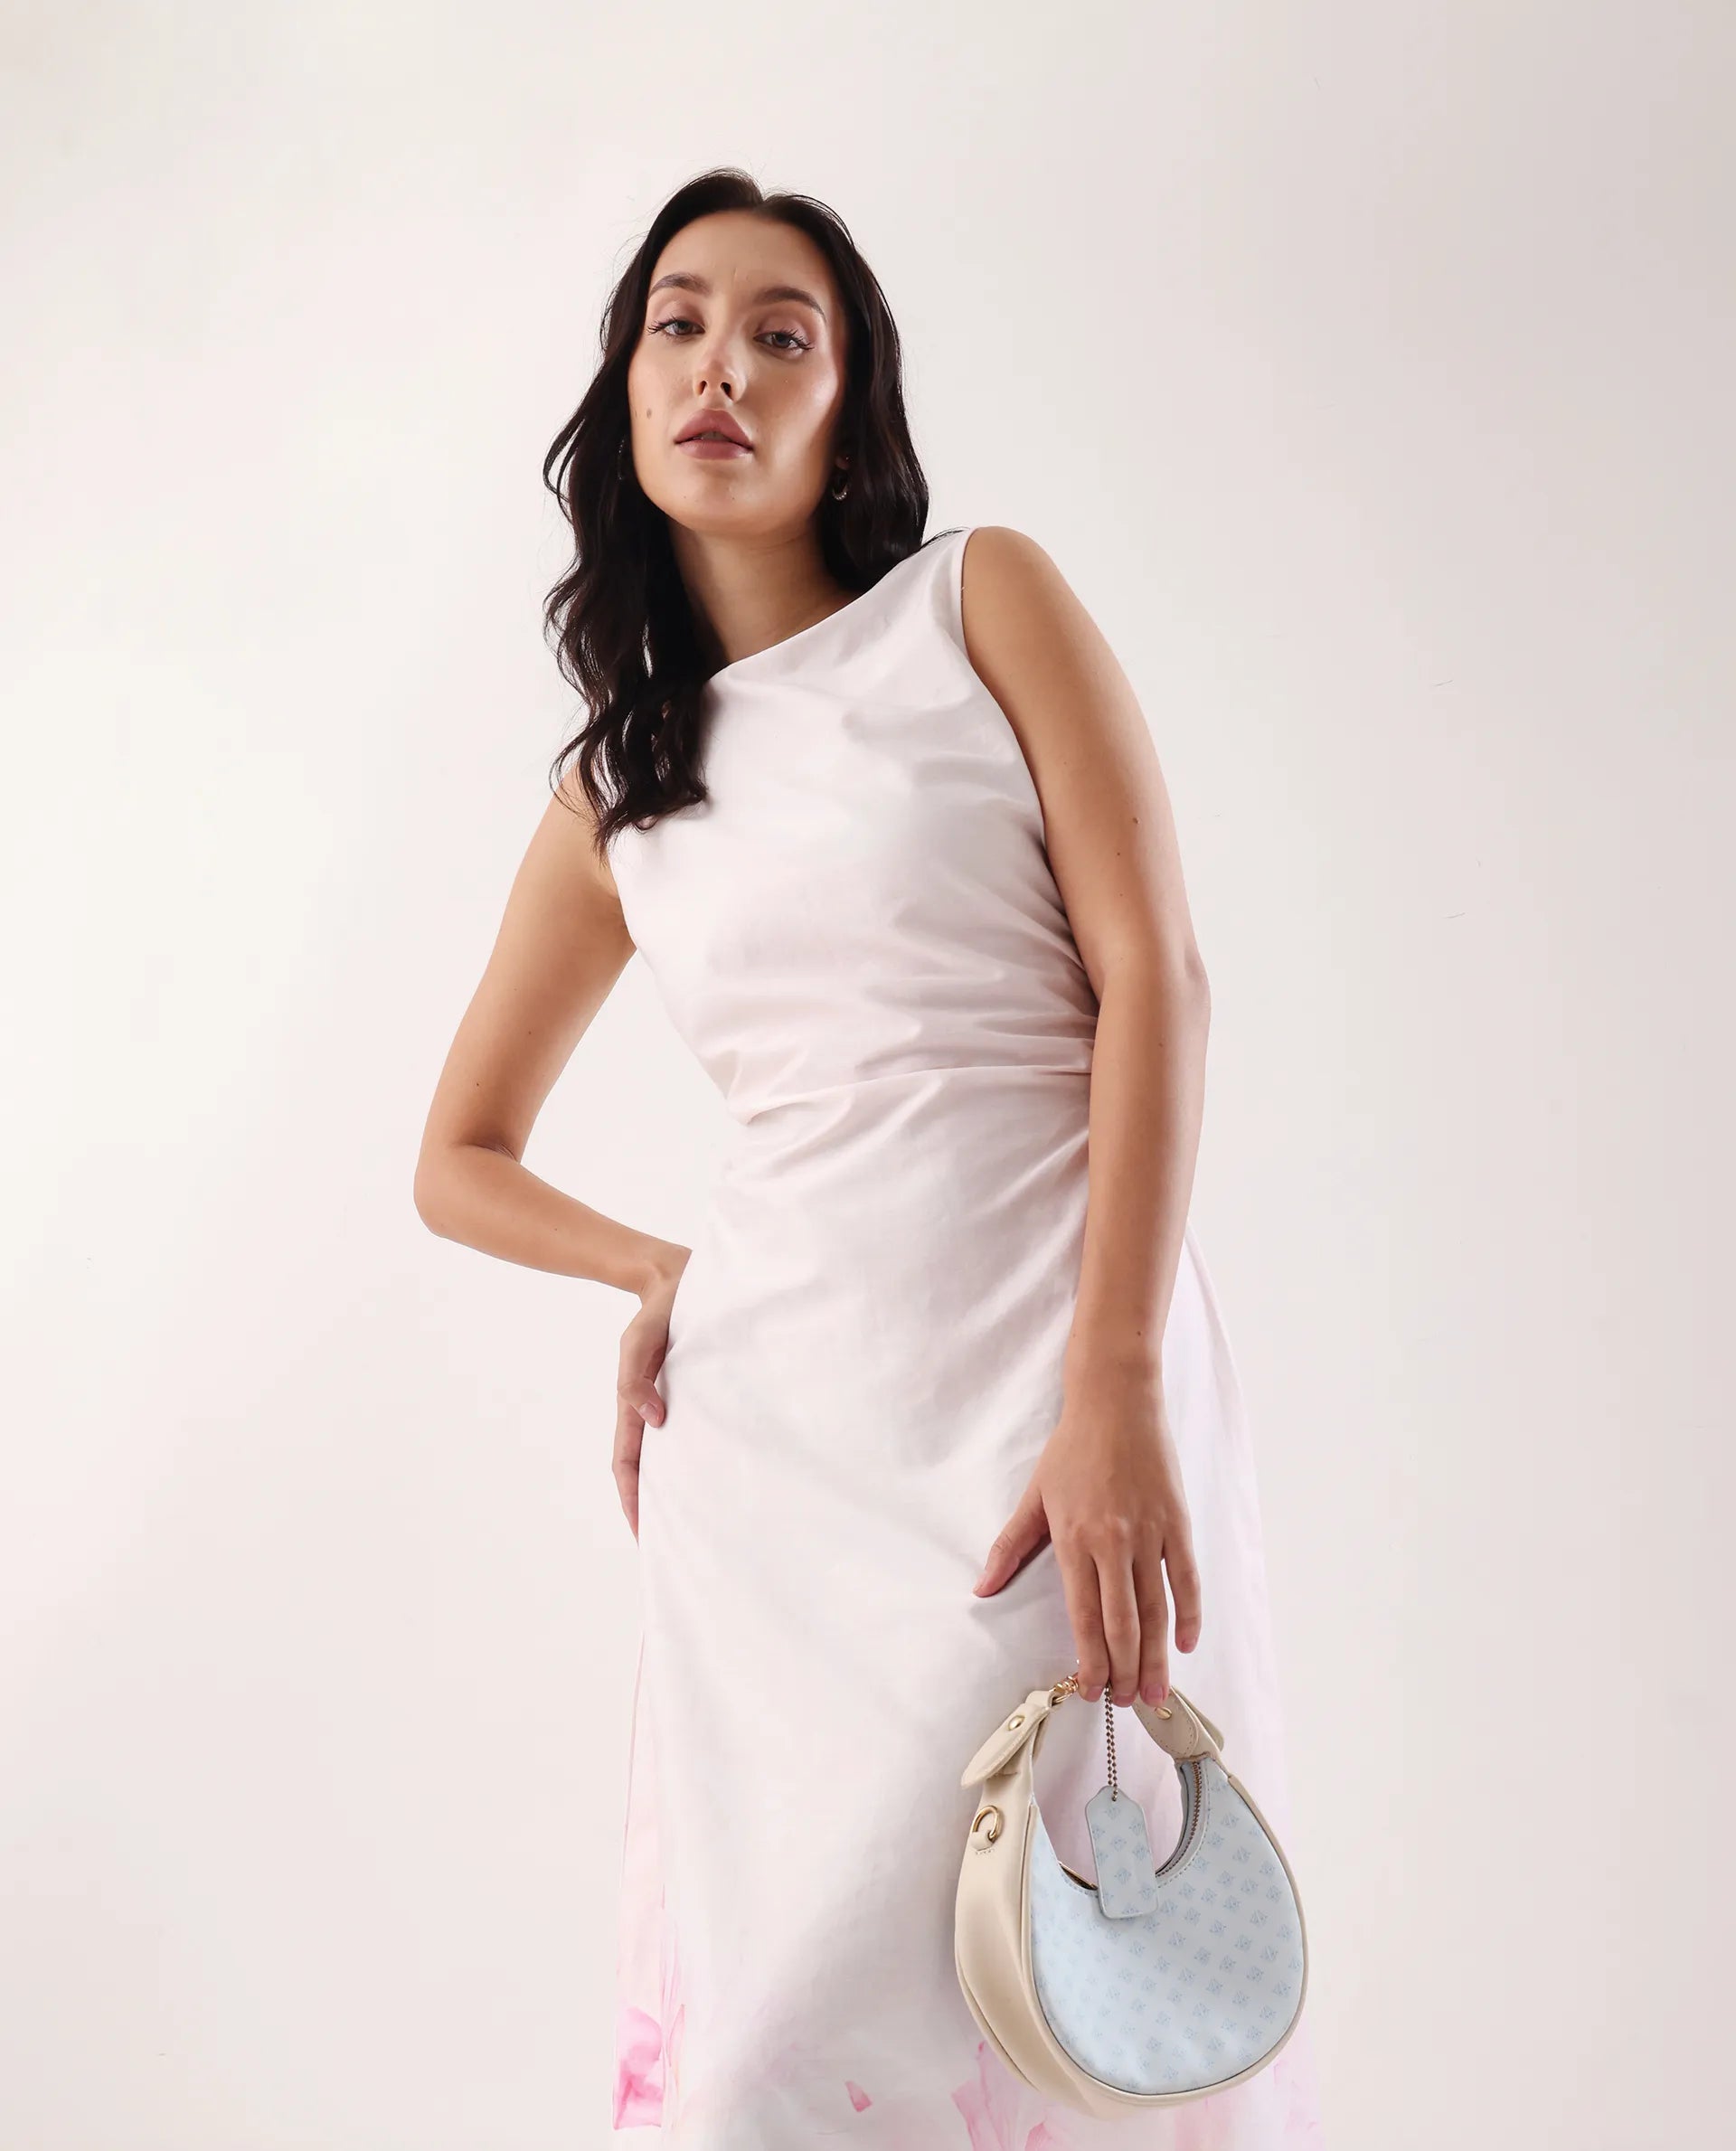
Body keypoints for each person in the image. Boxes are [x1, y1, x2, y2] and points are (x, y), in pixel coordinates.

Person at [413, 166, 1324, 2150]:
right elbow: (457, 1156)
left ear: (852, 405)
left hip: (1044, 1381)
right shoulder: (617, 792)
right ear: (625, 392)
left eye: (781, 333)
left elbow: (1155, 981)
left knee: (1071, 1978)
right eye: (677, 324)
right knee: (769, 2056)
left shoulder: (980, 603)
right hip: (775, 1454)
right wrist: (657, 1271)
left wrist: (1115, 1383)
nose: (719, 367)